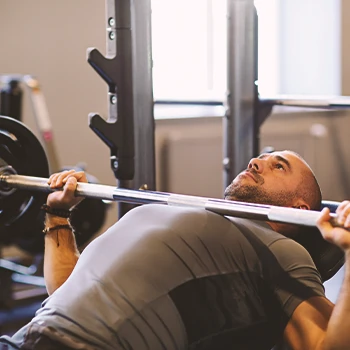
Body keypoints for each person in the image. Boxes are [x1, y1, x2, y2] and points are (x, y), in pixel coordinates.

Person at [0, 150, 348, 349]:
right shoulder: (181, 212)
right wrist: (58, 211)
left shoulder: (281, 249)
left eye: (278, 166)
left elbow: (326, 344)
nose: (257, 161)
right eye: (263, 157)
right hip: (25, 338)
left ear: (299, 211)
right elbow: (64, 287)